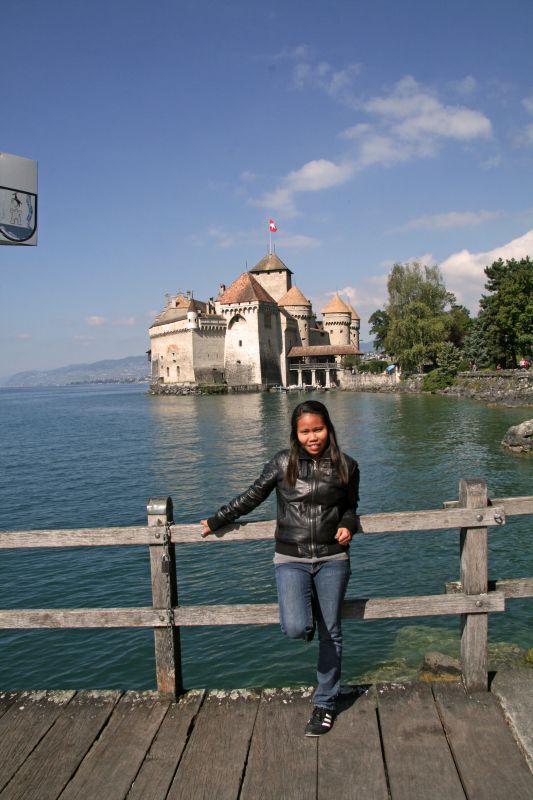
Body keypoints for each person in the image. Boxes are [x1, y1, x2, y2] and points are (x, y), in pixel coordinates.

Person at [200, 400, 359, 737]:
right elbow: (252, 496)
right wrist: (217, 519)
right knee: (296, 627)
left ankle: (325, 703)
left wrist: (348, 523)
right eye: (305, 432)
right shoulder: (282, 463)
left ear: (328, 427)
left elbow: (350, 505)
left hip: (333, 558)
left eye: (318, 429)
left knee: (333, 632)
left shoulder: (347, 466)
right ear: (295, 433)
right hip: (291, 558)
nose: (312, 437)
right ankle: (308, 618)